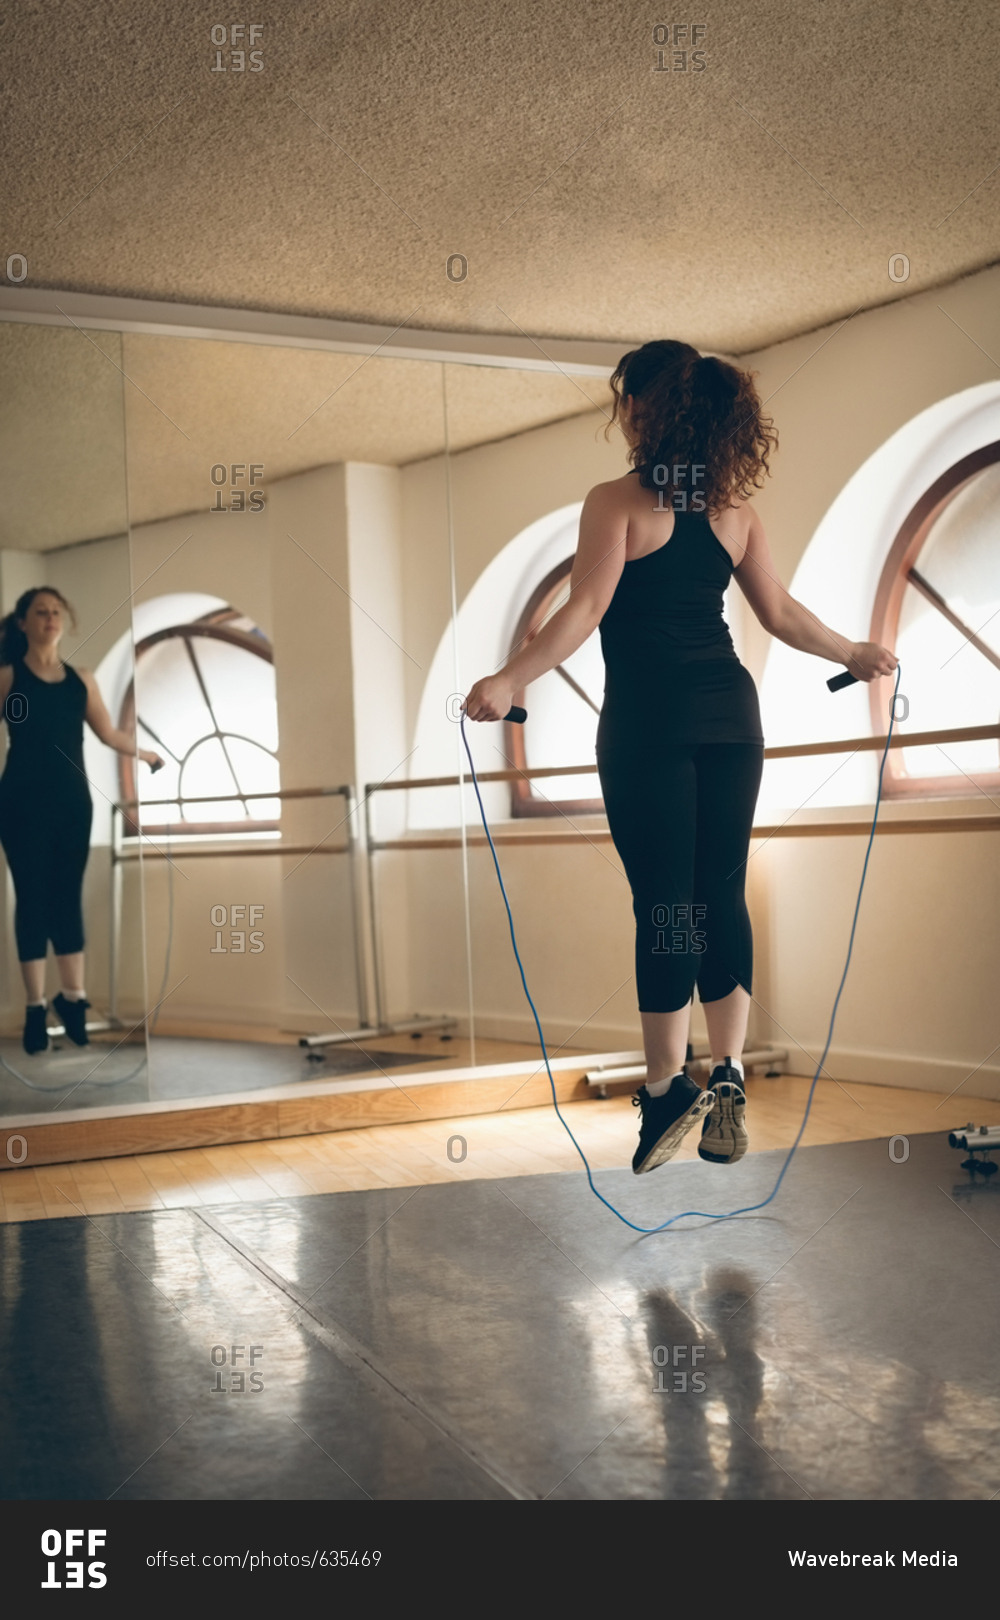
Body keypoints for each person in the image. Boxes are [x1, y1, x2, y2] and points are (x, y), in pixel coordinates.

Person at [462, 340, 897, 1174]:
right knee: (719, 893)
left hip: (650, 726)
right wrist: (852, 650)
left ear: (644, 409)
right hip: (733, 719)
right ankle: (727, 1072)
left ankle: (666, 1087)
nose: (622, 415)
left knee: (666, 903)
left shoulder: (617, 502)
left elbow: (585, 608)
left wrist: (511, 677)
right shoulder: (734, 513)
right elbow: (780, 614)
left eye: (625, 402)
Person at [0, 586, 163, 1054]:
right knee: (32, 900)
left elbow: (108, 732)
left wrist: (147, 754)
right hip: (21, 803)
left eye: (56, 611)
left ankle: (73, 998)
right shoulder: (9, 678)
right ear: (23, 623)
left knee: (67, 898)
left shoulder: (82, 680)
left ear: (64, 621)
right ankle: (35, 1007)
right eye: (41, 612)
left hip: (72, 803)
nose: (50, 618)